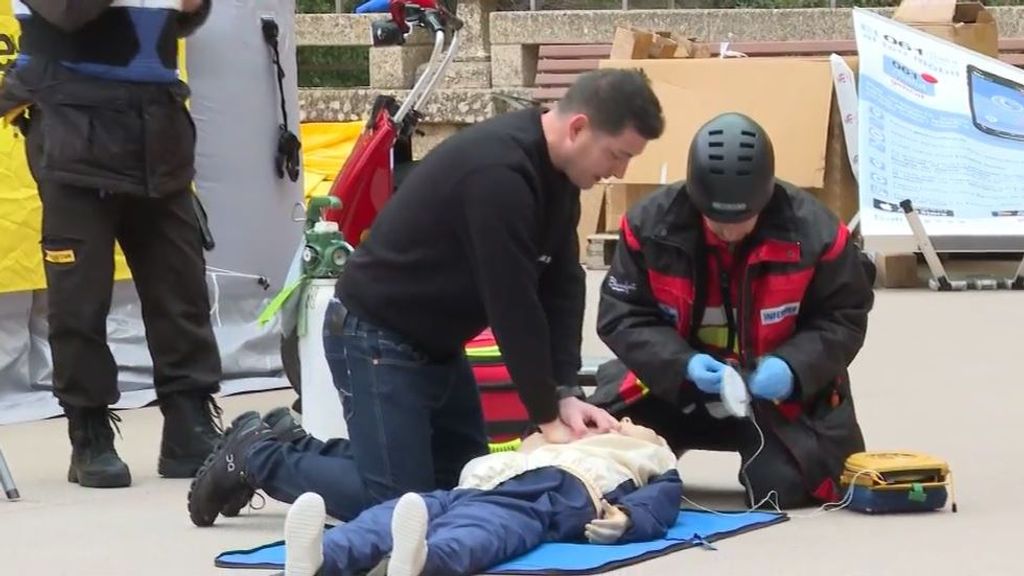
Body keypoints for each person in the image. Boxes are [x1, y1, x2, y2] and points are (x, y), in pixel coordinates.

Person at [186, 69, 666, 526]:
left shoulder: (559, 178)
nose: (618, 171)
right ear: (579, 128)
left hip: (436, 344)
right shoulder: (500, 172)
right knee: (398, 506)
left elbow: (562, 287)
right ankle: (255, 455)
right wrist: (544, 415)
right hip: (376, 336)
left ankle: (292, 446)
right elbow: (513, 304)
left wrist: (563, 391)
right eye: (617, 154)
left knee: (462, 488)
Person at [592, 112, 875, 509]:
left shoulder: (817, 233)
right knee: (606, 470)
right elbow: (622, 314)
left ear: (766, 195)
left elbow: (843, 316)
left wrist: (793, 368)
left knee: (785, 490)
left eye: (742, 219)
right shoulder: (649, 226)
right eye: (717, 220)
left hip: (774, 398)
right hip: (670, 386)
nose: (729, 232)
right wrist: (682, 365)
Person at [0, 0, 224, 488]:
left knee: (181, 290)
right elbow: (66, 12)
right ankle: (89, 434)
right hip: (73, 130)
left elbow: (180, 18)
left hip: (159, 133)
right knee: (80, 299)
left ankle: (188, 425)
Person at [280, 418, 682, 576]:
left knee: (484, 529)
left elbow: (662, 500)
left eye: (637, 425)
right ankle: (323, 555)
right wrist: (550, 434)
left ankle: (424, 560)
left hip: (554, 491)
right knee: (403, 510)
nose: (624, 422)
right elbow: (530, 435)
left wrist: (629, 519)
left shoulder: (648, 457)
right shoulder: (567, 435)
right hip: (483, 482)